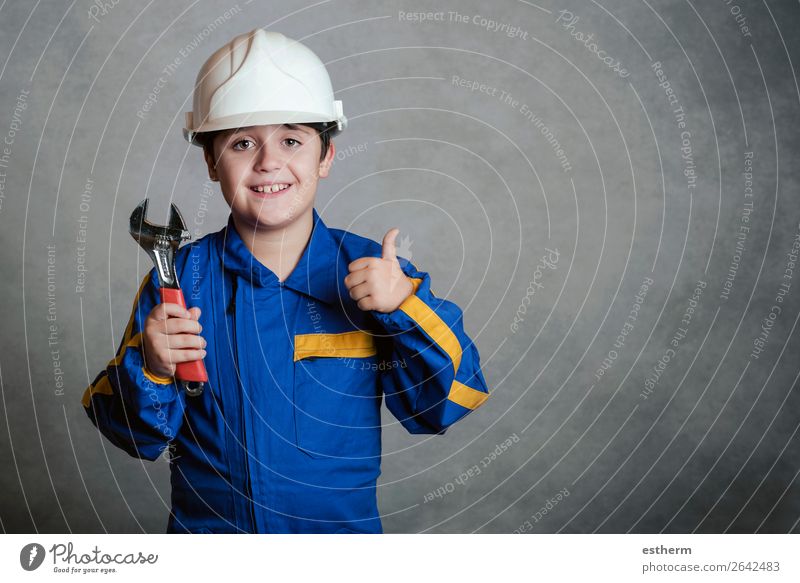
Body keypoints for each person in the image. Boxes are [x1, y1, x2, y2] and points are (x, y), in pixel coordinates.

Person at [82, 28, 490, 534]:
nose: (269, 161)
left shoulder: (377, 276)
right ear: (211, 161)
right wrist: (153, 367)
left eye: (292, 139)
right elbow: (129, 432)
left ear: (325, 157)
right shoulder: (179, 281)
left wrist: (404, 307)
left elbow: (450, 401)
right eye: (243, 142)